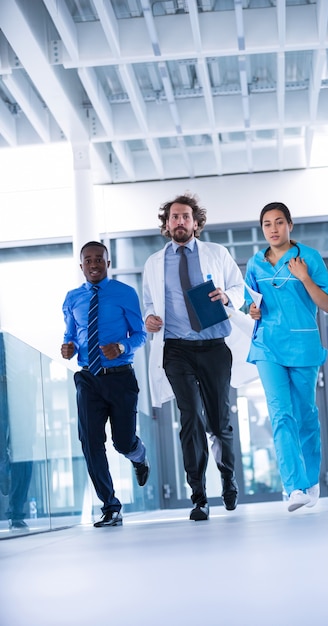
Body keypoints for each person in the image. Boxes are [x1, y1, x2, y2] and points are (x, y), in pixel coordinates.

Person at [143, 193, 245, 521]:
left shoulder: (217, 253)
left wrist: (227, 296)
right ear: (167, 223)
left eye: (185, 217)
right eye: (174, 217)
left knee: (218, 421)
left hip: (214, 346)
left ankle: (227, 477)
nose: (179, 222)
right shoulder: (154, 263)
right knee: (190, 418)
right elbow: (148, 303)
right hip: (176, 349)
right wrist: (150, 318)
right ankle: (198, 494)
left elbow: (239, 287)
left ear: (196, 223)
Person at [245, 202, 328, 513]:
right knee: (281, 414)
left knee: (306, 414)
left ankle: (310, 479)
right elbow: (251, 305)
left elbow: (327, 305)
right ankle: (294, 487)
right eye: (267, 223)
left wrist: (305, 277)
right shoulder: (255, 263)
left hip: (303, 346)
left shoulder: (309, 258)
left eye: (279, 222)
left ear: (290, 225)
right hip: (268, 346)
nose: (273, 228)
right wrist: (252, 310)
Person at [61, 241, 150, 527]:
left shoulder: (125, 293)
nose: (94, 264)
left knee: (122, 441)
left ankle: (138, 454)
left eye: (99, 259)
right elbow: (71, 334)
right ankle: (110, 506)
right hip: (88, 378)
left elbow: (139, 334)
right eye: (88, 260)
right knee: (90, 443)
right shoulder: (72, 298)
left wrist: (122, 348)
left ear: (108, 263)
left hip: (121, 377)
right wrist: (69, 346)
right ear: (81, 266)